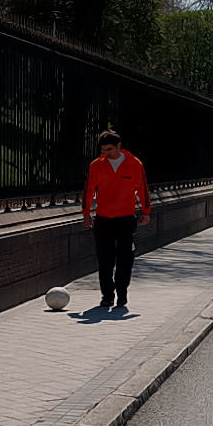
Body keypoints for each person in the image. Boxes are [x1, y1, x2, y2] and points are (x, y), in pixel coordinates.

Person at [82, 130, 151, 308]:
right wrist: (86, 213)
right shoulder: (96, 165)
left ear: (119, 146)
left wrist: (146, 211)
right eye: (103, 149)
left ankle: (122, 293)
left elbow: (143, 189)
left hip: (125, 218)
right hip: (103, 218)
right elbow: (89, 189)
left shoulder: (134, 164)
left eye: (110, 149)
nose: (106, 153)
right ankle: (107, 295)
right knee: (104, 259)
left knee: (125, 258)